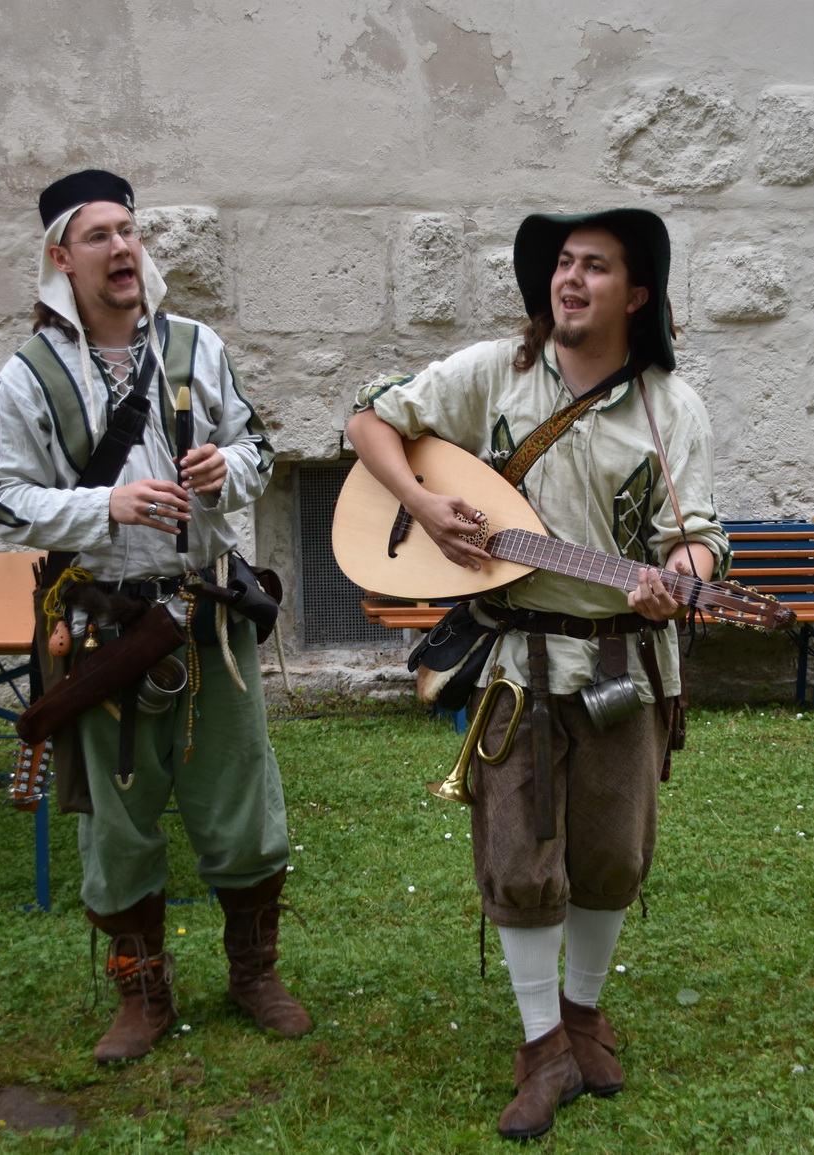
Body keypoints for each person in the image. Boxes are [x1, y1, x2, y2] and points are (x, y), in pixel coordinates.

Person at [346, 209, 730, 1139]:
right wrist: (427, 506)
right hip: (515, 658)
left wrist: (685, 582)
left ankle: (587, 1015)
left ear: (636, 295)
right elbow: (369, 419)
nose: (572, 278)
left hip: (621, 660)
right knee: (518, 850)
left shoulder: (672, 409)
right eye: (563, 263)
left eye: (595, 267)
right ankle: (542, 1042)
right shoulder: (496, 374)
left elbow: (701, 539)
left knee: (610, 852)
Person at [0, 169, 311, 1063]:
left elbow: (258, 447)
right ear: (62, 257)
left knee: (242, 802)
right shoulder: (28, 376)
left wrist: (224, 471)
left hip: (211, 618)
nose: (123, 249)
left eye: (129, 232)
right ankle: (142, 992)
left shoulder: (198, 345)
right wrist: (104, 509)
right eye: (100, 237)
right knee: (119, 824)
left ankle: (254, 973)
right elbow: (3, 501)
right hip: (106, 628)